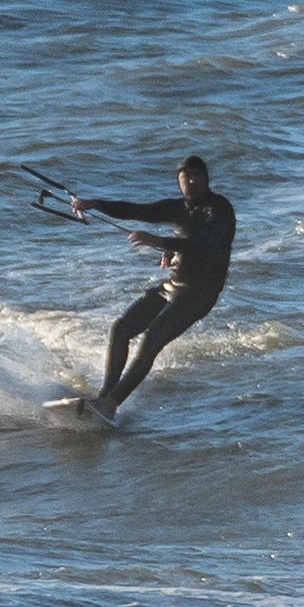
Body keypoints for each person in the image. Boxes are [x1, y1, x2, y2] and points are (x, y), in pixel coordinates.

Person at [55, 157, 236, 414]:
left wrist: (162, 242)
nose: (192, 181)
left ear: (207, 180)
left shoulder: (219, 209)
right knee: (121, 329)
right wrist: (95, 204)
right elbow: (137, 210)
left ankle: (112, 403)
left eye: (198, 176)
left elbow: (207, 244)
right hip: (174, 286)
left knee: (153, 337)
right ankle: (104, 398)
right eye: (187, 177)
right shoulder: (177, 208)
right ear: (179, 181)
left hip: (201, 292)